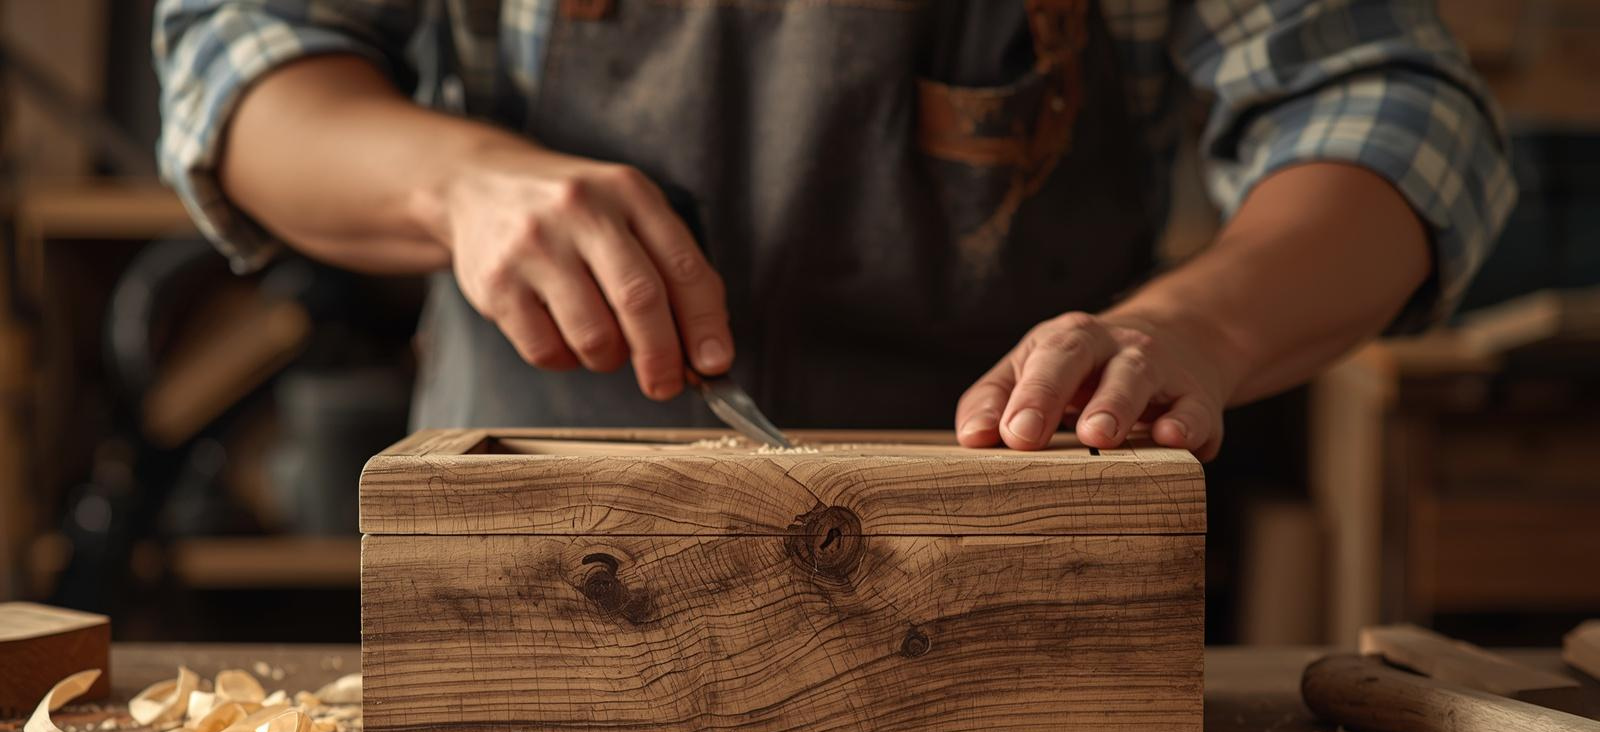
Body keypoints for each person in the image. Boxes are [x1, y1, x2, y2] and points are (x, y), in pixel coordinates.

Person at [153, 0, 1513, 459]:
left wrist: (1199, 326)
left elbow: (1390, 105)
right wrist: (454, 183)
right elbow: (238, 55)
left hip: (1017, 583)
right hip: (543, 570)